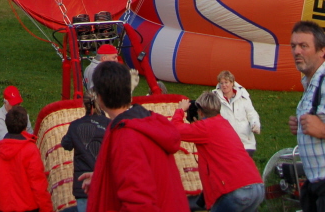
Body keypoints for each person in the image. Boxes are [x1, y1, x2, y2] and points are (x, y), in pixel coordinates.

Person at [82, 61, 188, 212]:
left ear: (100, 98)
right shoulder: (146, 122)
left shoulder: (126, 136)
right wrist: (104, 177)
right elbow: (144, 171)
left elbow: (139, 202)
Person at [173, 92, 264, 212]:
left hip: (235, 190)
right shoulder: (224, 124)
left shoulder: (205, 127)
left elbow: (173, 130)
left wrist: (180, 111)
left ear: (200, 112)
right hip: (256, 186)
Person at [289, 21, 325, 211]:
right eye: (293, 46)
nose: (296, 52)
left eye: (304, 46)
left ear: (322, 51)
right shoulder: (310, 83)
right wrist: (302, 128)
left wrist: (322, 130)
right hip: (314, 182)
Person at [0, 105, 53, 212]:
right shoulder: (29, 149)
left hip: (4, 208)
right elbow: (38, 185)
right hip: (28, 207)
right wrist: (46, 209)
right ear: (25, 125)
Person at [0, 86, 33, 211]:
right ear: (5, 102)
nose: (15, 106)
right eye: (12, 104)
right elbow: (6, 141)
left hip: (16, 158)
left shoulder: (23, 115)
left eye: (17, 103)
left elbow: (31, 135)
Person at [61, 91, 108, 212]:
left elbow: (66, 144)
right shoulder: (109, 125)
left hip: (82, 186)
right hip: (105, 185)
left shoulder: (75, 125)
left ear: (84, 104)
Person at [213, 69, 260, 154]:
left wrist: (255, 125)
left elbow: (252, 114)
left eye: (226, 82)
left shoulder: (243, 96)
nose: (224, 85)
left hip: (246, 143)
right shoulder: (215, 99)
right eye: (221, 83)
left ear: (232, 83)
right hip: (227, 143)